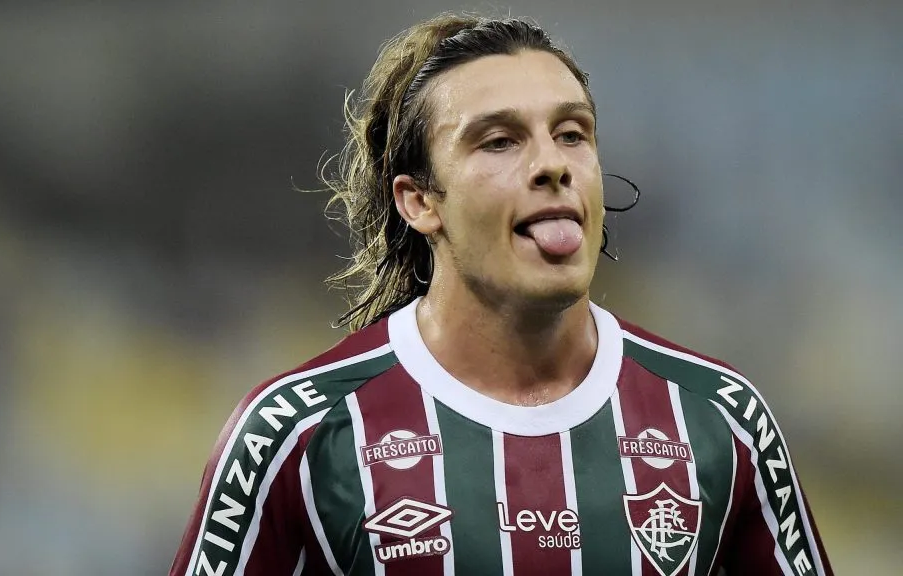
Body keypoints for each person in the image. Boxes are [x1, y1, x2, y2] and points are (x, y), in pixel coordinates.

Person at [168, 13, 832, 576]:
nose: (552, 164)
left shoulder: (720, 420)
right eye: (500, 141)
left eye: (572, 133)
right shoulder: (296, 435)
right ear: (420, 201)